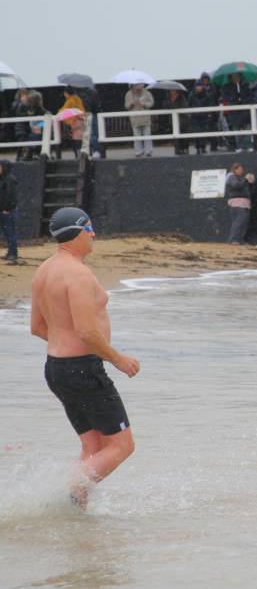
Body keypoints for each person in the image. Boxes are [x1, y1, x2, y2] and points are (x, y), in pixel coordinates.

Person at [30, 207, 141, 510]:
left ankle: (76, 510)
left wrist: (66, 349)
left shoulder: (45, 270)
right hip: (82, 370)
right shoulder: (77, 273)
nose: (94, 234)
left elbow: (37, 327)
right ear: (77, 232)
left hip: (57, 369)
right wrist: (118, 359)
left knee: (93, 446)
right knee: (122, 445)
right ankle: (68, 492)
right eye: (89, 228)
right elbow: (86, 331)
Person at [220, 74, 252, 152]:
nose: (236, 78)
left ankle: (248, 145)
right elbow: (226, 97)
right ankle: (239, 146)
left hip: (245, 111)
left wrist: (242, 99)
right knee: (236, 129)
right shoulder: (226, 87)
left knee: (247, 128)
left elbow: (249, 96)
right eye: (234, 77)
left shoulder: (245, 86)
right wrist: (235, 98)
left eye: (237, 76)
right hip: (234, 112)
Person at [224, 162, 255, 244]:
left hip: (244, 202)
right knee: (238, 221)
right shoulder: (231, 177)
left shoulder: (241, 178)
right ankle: (233, 239)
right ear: (234, 170)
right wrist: (245, 179)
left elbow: (245, 187)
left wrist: (250, 181)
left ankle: (240, 240)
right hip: (237, 202)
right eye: (239, 169)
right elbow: (236, 185)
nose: (241, 171)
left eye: (242, 169)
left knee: (244, 222)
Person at [124, 84, 154, 157]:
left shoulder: (147, 93)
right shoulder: (128, 94)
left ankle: (148, 151)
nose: (139, 87)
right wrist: (131, 103)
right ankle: (138, 152)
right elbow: (126, 106)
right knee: (137, 136)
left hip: (145, 118)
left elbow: (151, 103)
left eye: (140, 85)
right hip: (135, 118)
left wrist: (144, 104)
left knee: (147, 135)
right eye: (136, 86)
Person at [188, 81, 216, 155]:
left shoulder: (207, 94)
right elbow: (189, 105)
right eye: (197, 86)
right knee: (196, 131)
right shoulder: (191, 95)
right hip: (195, 116)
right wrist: (190, 114)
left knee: (203, 131)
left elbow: (210, 104)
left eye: (200, 86)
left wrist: (209, 113)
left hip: (204, 116)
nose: (199, 87)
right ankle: (198, 147)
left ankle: (203, 147)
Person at [162, 88, 189, 155]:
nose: (172, 92)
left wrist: (175, 102)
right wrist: (171, 102)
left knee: (183, 134)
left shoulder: (182, 98)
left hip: (182, 119)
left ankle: (185, 148)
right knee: (175, 136)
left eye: (174, 90)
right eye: (171, 90)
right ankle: (177, 149)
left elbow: (184, 106)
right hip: (172, 120)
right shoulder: (167, 98)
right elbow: (164, 107)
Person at [0, 160, 17, 263]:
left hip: (7, 211)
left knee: (10, 233)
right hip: (3, 210)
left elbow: (11, 196)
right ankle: (11, 252)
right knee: (8, 233)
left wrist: (7, 209)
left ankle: (13, 254)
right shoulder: (4, 179)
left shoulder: (10, 179)